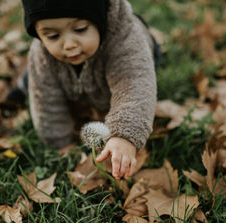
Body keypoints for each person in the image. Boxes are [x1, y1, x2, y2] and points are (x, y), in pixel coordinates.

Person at [11, 0, 160, 179]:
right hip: (67, 73)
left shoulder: (126, 40)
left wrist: (124, 135)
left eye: (80, 29)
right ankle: (22, 85)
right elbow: (45, 100)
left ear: (101, 19)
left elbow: (134, 85)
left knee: (138, 73)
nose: (69, 44)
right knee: (36, 74)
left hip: (129, 58)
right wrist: (60, 143)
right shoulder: (42, 52)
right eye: (52, 36)